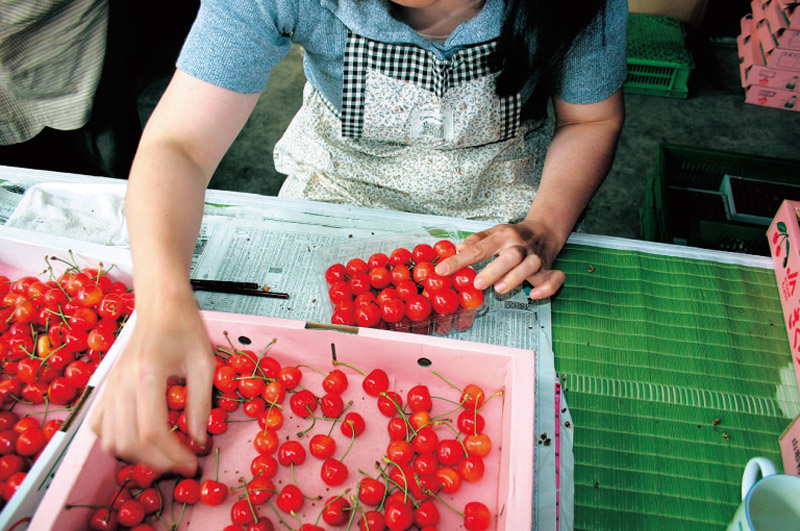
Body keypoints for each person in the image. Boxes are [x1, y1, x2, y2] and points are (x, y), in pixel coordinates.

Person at [90, 0, 627, 474]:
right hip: (339, 187)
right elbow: (179, 145)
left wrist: (545, 225)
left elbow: (590, 121)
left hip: (500, 209)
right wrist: (161, 301)